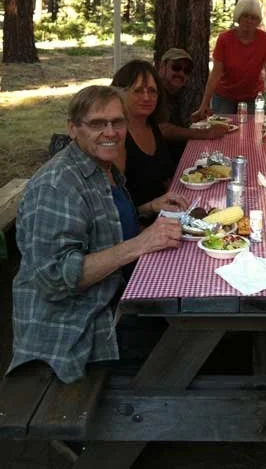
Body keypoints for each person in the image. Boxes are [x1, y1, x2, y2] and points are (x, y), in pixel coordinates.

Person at [7, 85, 182, 384]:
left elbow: (104, 223)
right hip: (79, 328)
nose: (110, 132)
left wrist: (148, 208)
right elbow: (56, 278)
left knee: (181, 312)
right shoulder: (57, 187)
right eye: (97, 124)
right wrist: (137, 245)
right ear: (73, 129)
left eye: (117, 122)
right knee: (177, 345)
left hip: (114, 297)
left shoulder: (102, 168)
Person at [111, 60, 188, 220]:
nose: (147, 97)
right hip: (139, 225)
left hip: (167, 213)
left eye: (152, 91)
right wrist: (152, 206)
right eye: (138, 91)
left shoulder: (152, 127)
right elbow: (117, 210)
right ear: (120, 93)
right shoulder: (116, 137)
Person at [192, 0, 266, 118]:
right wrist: (204, 104)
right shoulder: (224, 39)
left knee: (253, 130)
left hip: (252, 96)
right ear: (238, 17)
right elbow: (215, 74)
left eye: (253, 18)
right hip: (224, 95)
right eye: (245, 16)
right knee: (222, 130)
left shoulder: (265, 40)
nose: (249, 21)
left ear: (258, 21)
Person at [157, 48, 228, 165]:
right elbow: (162, 129)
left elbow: (171, 125)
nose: (181, 73)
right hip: (165, 166)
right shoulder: (154, 92)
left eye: (186, 71)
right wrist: (207, 133)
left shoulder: (172, 93)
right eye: (176, 67)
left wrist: (192, 121)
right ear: (162, 67)